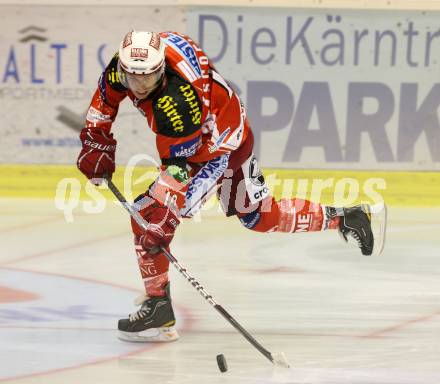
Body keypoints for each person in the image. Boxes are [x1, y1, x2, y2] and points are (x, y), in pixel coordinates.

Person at [77, 31, 384, 342]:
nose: (140, 85)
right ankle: (346, 216)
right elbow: (104, 102)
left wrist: (163, 217)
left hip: (214, 150)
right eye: (134, 78)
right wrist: (95, 140)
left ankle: (159, 310)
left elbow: (178, 170)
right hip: (234, 128)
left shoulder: (177, 103)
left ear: (162, 70)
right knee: (260, 218)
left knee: (147, 215)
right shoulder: (127, 64)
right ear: (124, 66)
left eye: (149, 77)